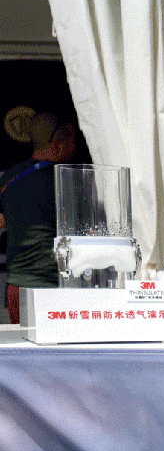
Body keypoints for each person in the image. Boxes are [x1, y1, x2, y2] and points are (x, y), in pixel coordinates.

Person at [0, 113, 78, 324]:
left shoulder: (10, 177)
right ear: (59, 142)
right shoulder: (69, 178)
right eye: (73, 138)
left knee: (24, 344)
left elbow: (2, 220)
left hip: (16, 287)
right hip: (56, 287)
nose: (75, 145)